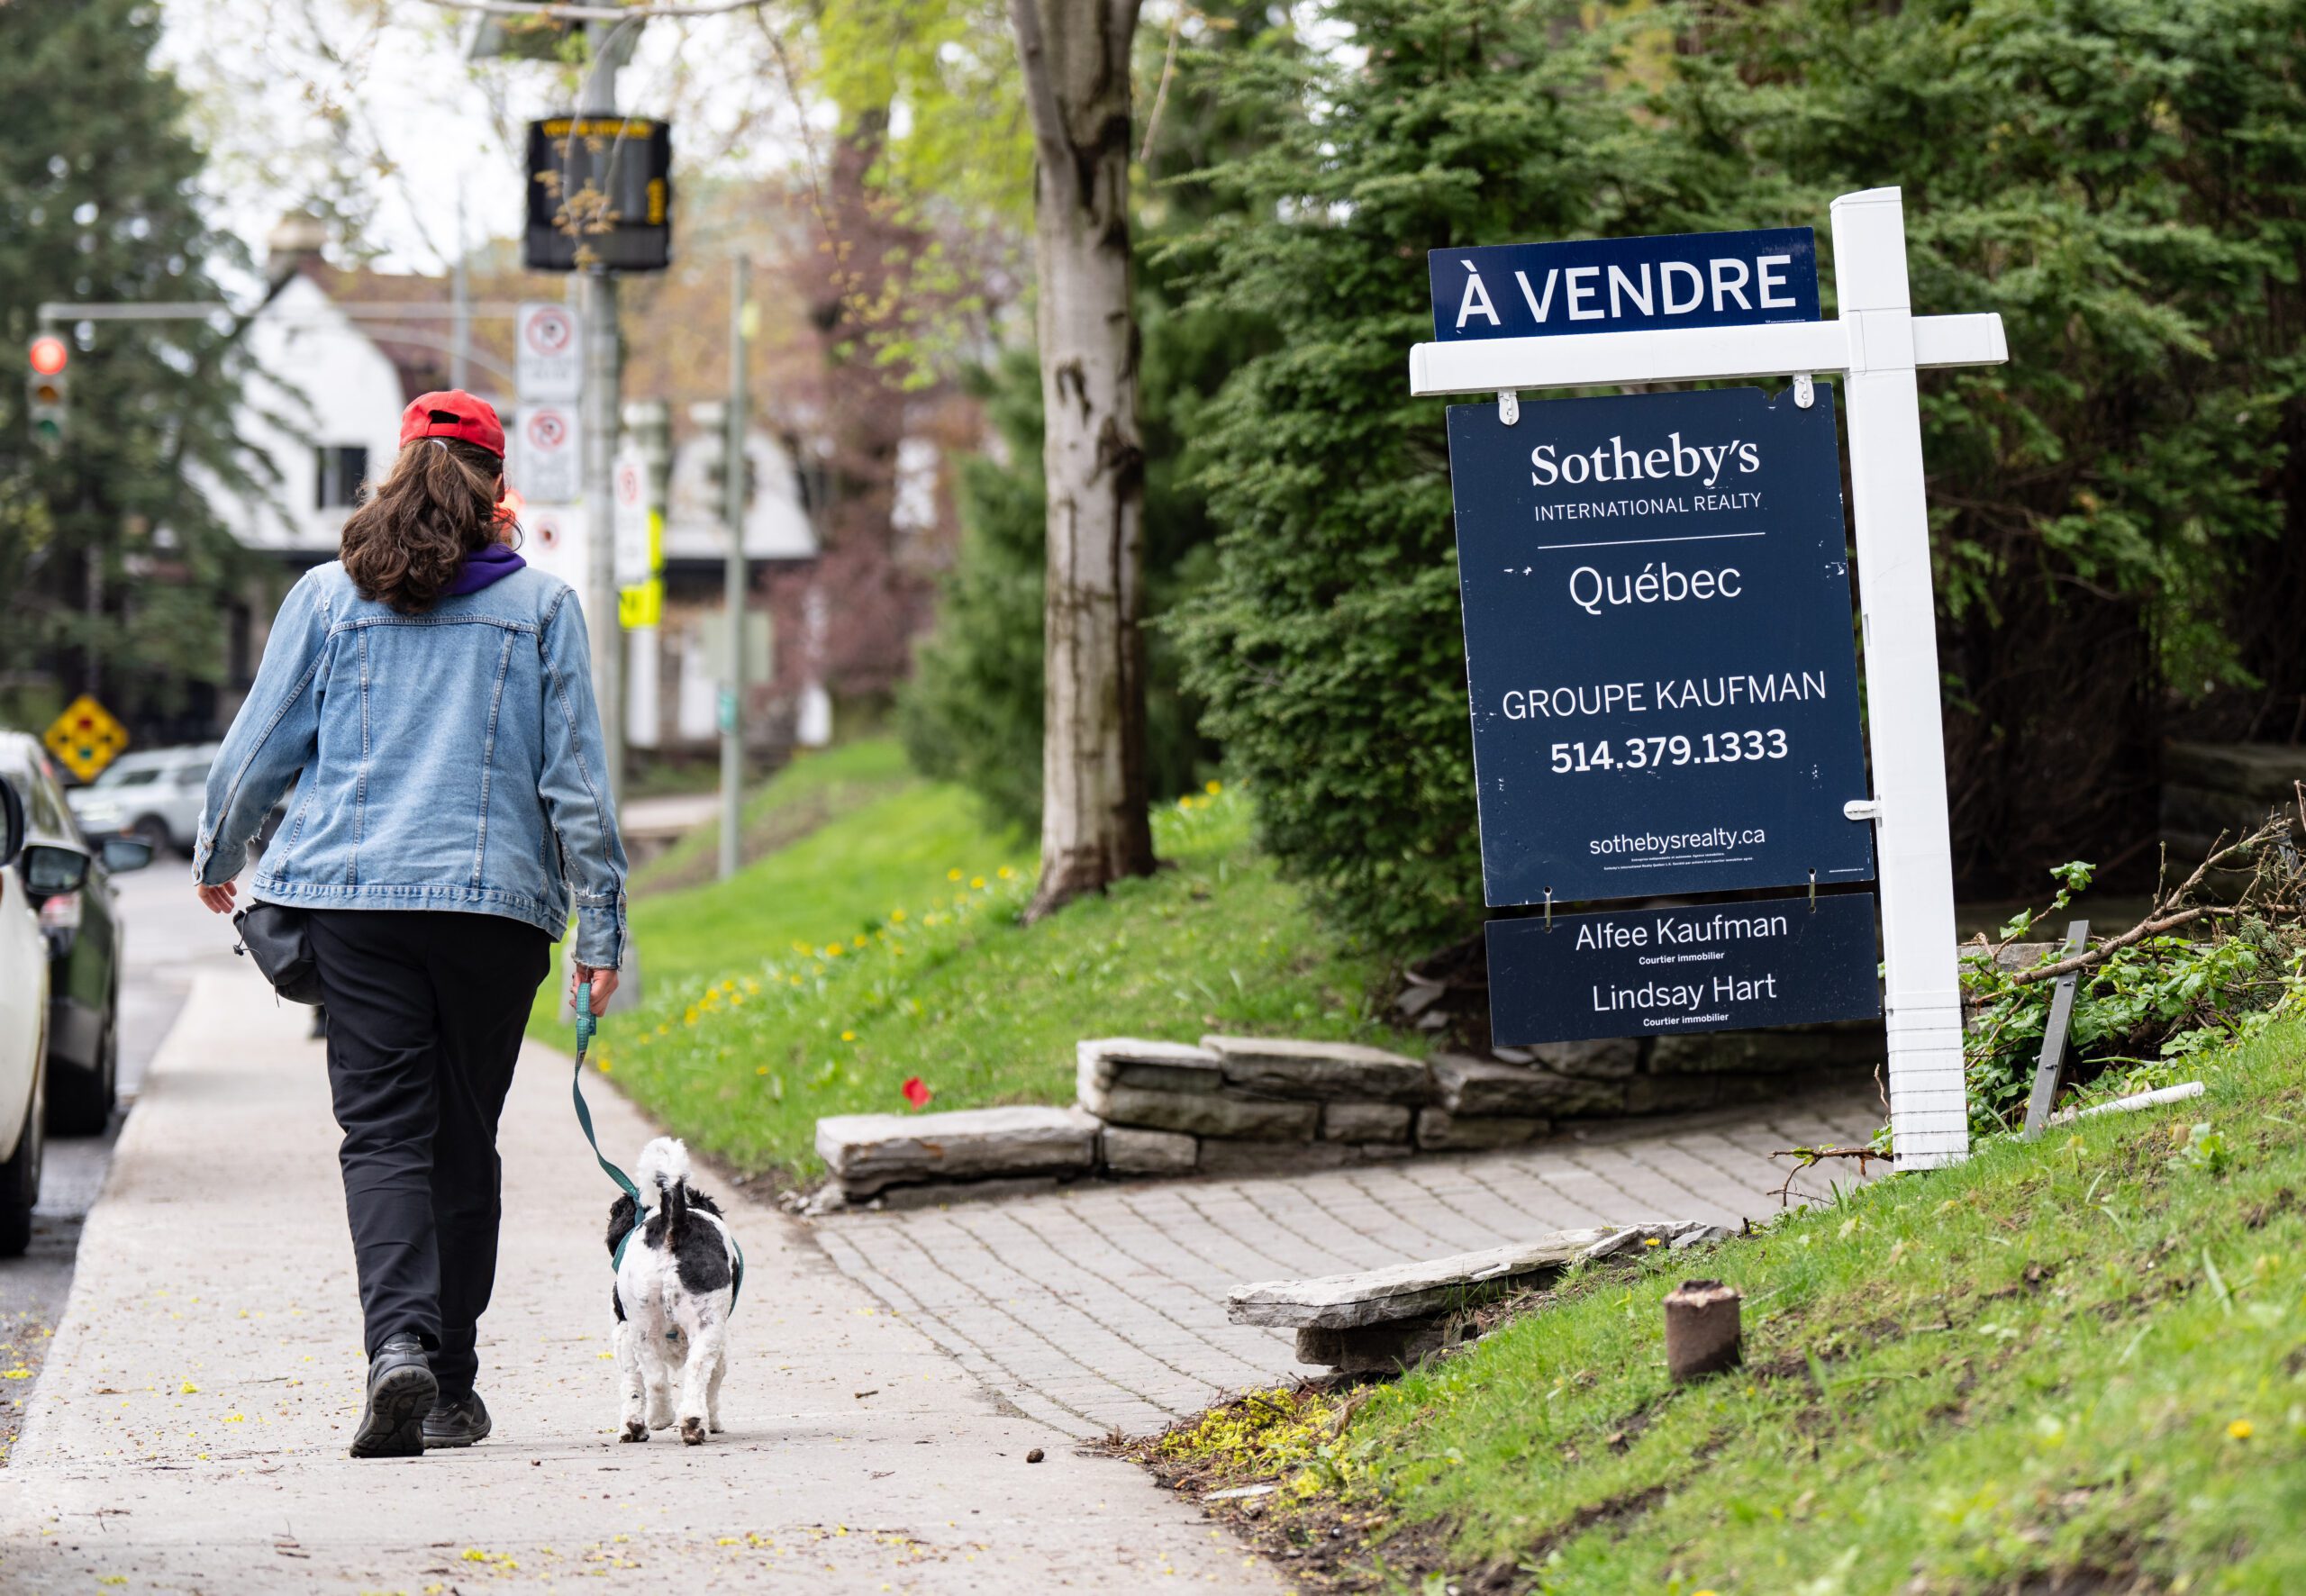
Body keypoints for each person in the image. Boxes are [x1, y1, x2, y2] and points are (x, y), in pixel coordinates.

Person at [193, 391, 628, 1458]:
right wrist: (603, 928)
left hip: (355, 909)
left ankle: (396, 1343)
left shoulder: (325, 597)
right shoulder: (541, 608)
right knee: (461, 1138)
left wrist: (219, 852)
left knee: (383, 1134)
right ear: (495, 488)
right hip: (493, 916)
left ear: (396, 472)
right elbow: (574, 785)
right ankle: (451, 1384)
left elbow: (259, 749)